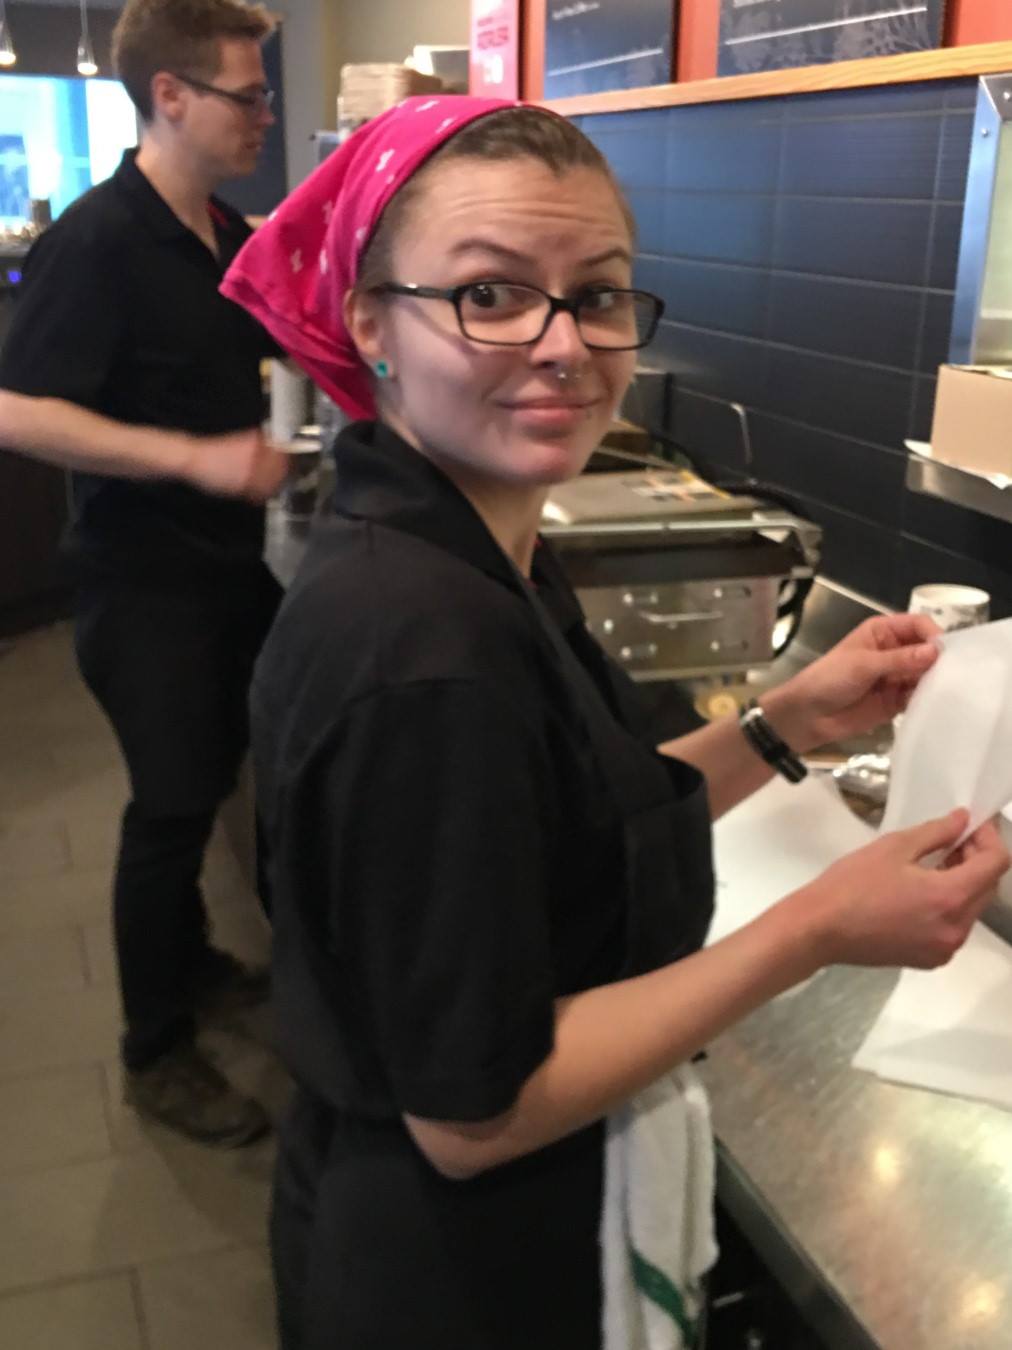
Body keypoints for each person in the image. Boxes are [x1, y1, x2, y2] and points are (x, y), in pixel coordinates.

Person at [222, 96, 1010, 1348]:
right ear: (370, 321)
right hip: (457, 1277)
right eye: (489, 294)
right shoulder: (419, 649)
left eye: (595, 294)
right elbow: (473, 1114)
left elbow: (573, 819)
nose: (562, 345)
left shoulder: (470, 541)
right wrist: (818, 926)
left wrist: (783, 724)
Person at [0, 0, 289, 1147]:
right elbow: (16, 411)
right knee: (169, 809)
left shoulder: (222, 230)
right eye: (247, 95)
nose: (265, 114)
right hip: (143, 586)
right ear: (169, 96)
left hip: (228, 571)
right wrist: (193, 457)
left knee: (208, 780)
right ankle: (154, 1050)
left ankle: (195, 962)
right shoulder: (99, 240)